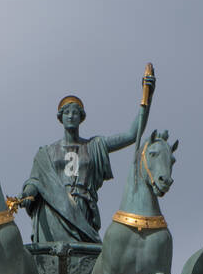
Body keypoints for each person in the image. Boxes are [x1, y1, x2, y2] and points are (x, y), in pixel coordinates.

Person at [18, 68, 155, 244]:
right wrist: (28, 193)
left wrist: (147, 99)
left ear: (81, 117)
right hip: (54, 211)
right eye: (66, 112)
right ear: (60, 117)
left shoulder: (94, 146)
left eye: (75, 112)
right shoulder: (46, 153)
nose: (71, 116)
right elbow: (35, 180)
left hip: (83, 208)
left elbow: (131, 134)